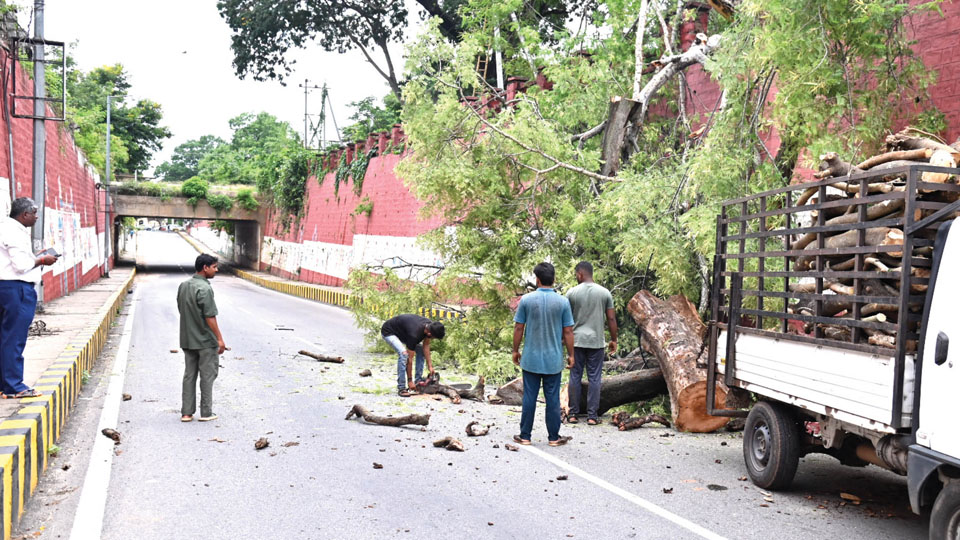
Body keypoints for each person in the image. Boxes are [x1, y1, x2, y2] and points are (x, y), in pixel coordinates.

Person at [0, 198, 58, 399]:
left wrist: (36, 257)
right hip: (17, 289)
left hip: (5, 287)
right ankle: (14, 386)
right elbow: (21, 265)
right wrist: (42, 259)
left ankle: (4, 384)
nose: (36, 217)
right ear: (24, 214)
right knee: (14, 338)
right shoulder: (15, 232)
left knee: (4, 337)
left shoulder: (5, 228)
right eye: (34, 212)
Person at [512, 262, 575, 446]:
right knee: (553, 399)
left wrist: (515, 350)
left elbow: (518, 328)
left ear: (537, 280)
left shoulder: (526, 300)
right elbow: (568, 332)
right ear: (553, 279)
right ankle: (554, 438)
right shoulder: (563, 302)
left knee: (529, 397)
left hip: (531, 358)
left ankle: (525, 436)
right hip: (553, 359)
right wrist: (571, 354)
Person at [565, 261, 618, 425]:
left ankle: (573, 414)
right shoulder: (604, 293)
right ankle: (592, 416)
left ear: (580, 274)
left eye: (576, 275)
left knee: (575, 376)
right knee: (595, 378)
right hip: (596, 342)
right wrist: (613, 339)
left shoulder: (571, 293)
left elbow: (565, 321)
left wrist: (564, 341)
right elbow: (611, 318)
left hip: (576, 341)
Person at [177, 253, 226, 422]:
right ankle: (206, 412)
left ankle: (186, 413)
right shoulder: (205, 288)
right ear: (205, 268)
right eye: (214, 267)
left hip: (187, 339)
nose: (216, 270)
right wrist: (219, 339)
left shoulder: (183, 286)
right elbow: (210, 316)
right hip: (205, 341)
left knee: (189, 375)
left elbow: (181, 309)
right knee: (208, 375)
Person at [380, 314, 445, 396]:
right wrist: (410, 380)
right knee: (404, 354)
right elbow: (409, 360)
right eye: (434, 337)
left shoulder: (430, 326)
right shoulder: (414, 334)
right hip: (389, 332)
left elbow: (426, 346)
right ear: (429, 334)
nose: (433, 339)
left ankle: (418, 381)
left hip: (403, 333)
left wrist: (430, 366)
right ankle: (402, 387)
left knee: (421, 351)